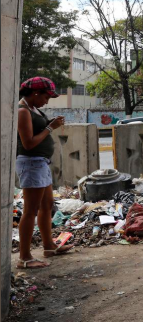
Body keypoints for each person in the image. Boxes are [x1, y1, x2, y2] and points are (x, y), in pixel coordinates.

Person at [16, 77, 73, 269]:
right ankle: (24, 257)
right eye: (46, 97)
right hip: (31, 163)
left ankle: (49, 246)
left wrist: (48, 123)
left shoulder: (32, 109)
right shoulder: (23, 111)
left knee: (47, 205)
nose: (47, 101)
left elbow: (37, 130)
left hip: (40, 163)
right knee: (30, 210)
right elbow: (28, 143)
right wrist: (50, 127)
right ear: (35, 93)